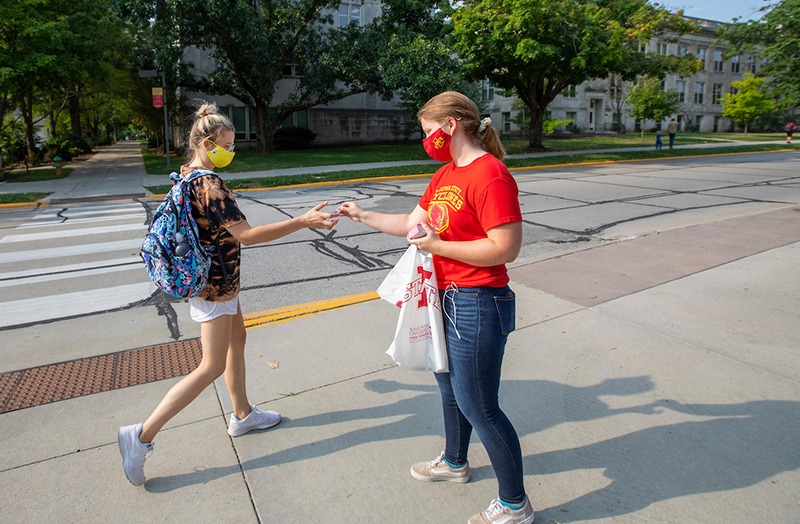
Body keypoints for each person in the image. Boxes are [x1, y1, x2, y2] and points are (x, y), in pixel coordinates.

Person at [118, 103, 339, 487]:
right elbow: (247, 235)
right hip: (214, 285)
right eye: (227, 144)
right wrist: (303, 220)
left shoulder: (188, 174)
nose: (231, 150)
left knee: (239, 339)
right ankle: (141, 436)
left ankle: (242, 415)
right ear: (207, 143)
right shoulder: (209, 184)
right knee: (211, 366)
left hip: (221, 281)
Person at [338, 91, 533, 524]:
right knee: (449, 389)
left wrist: (438, 244)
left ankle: (515, 505)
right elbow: (413, 223)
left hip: (477, 301)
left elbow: (506, 247)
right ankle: (454, 462)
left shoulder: (490, 175)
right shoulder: (446, 174)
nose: (425, 140)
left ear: (450, 125)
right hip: (442, 298)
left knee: (479, 405)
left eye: (428, 131)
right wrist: (362, 215)